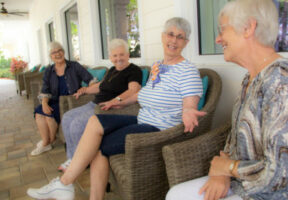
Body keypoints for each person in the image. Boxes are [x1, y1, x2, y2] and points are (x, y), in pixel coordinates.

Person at [27, 17, 206, 200]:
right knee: (95, 120)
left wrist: (188, 111)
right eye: (170, 34)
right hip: (142, 118)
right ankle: (65, 186)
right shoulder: (158, 66)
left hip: (158, 128)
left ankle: (65, 184)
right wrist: (119, 102)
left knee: (99, 147)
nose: (174, 40)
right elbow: (143, 93)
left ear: (186, 42)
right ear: (162, 36)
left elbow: (190, 103)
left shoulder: (188, 71)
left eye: (180, 37)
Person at [166, 0, 288, 200]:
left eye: (222, 30)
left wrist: (229, 168)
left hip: (272, 193)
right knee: (176, 194)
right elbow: (236, 136)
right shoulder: (251, 77)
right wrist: (222, 170)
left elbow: (285, 174)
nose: (218, 39)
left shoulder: (282, 83)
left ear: (248, 28)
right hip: (242, 181)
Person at [58, 38, 142, 172]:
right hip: (94, 103)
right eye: (115, 55)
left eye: (121, 54)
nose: (118, 58)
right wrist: (84, 90)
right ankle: (73, 157)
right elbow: (100, 86)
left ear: (128, 55)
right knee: (67, 117)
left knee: (77, 124)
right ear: (110, 57)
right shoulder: (112, 70)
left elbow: (134, 90)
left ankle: (79, 162)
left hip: (109, 109)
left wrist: (115, 100)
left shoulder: (134, 70)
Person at [30, 41, 94, 156]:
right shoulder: (49, 71)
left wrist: (85, 89)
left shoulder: (74, 66)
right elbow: (45, 89)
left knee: (49, 117)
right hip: (54, 100)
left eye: (59, 50)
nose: (58, 54)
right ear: (51, 57)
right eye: (54, 52)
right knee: (39, 112)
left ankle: (48, 142)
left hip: (70, 101)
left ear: (63, 52)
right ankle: (46, 142)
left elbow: (91, 80)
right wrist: (44, 103)